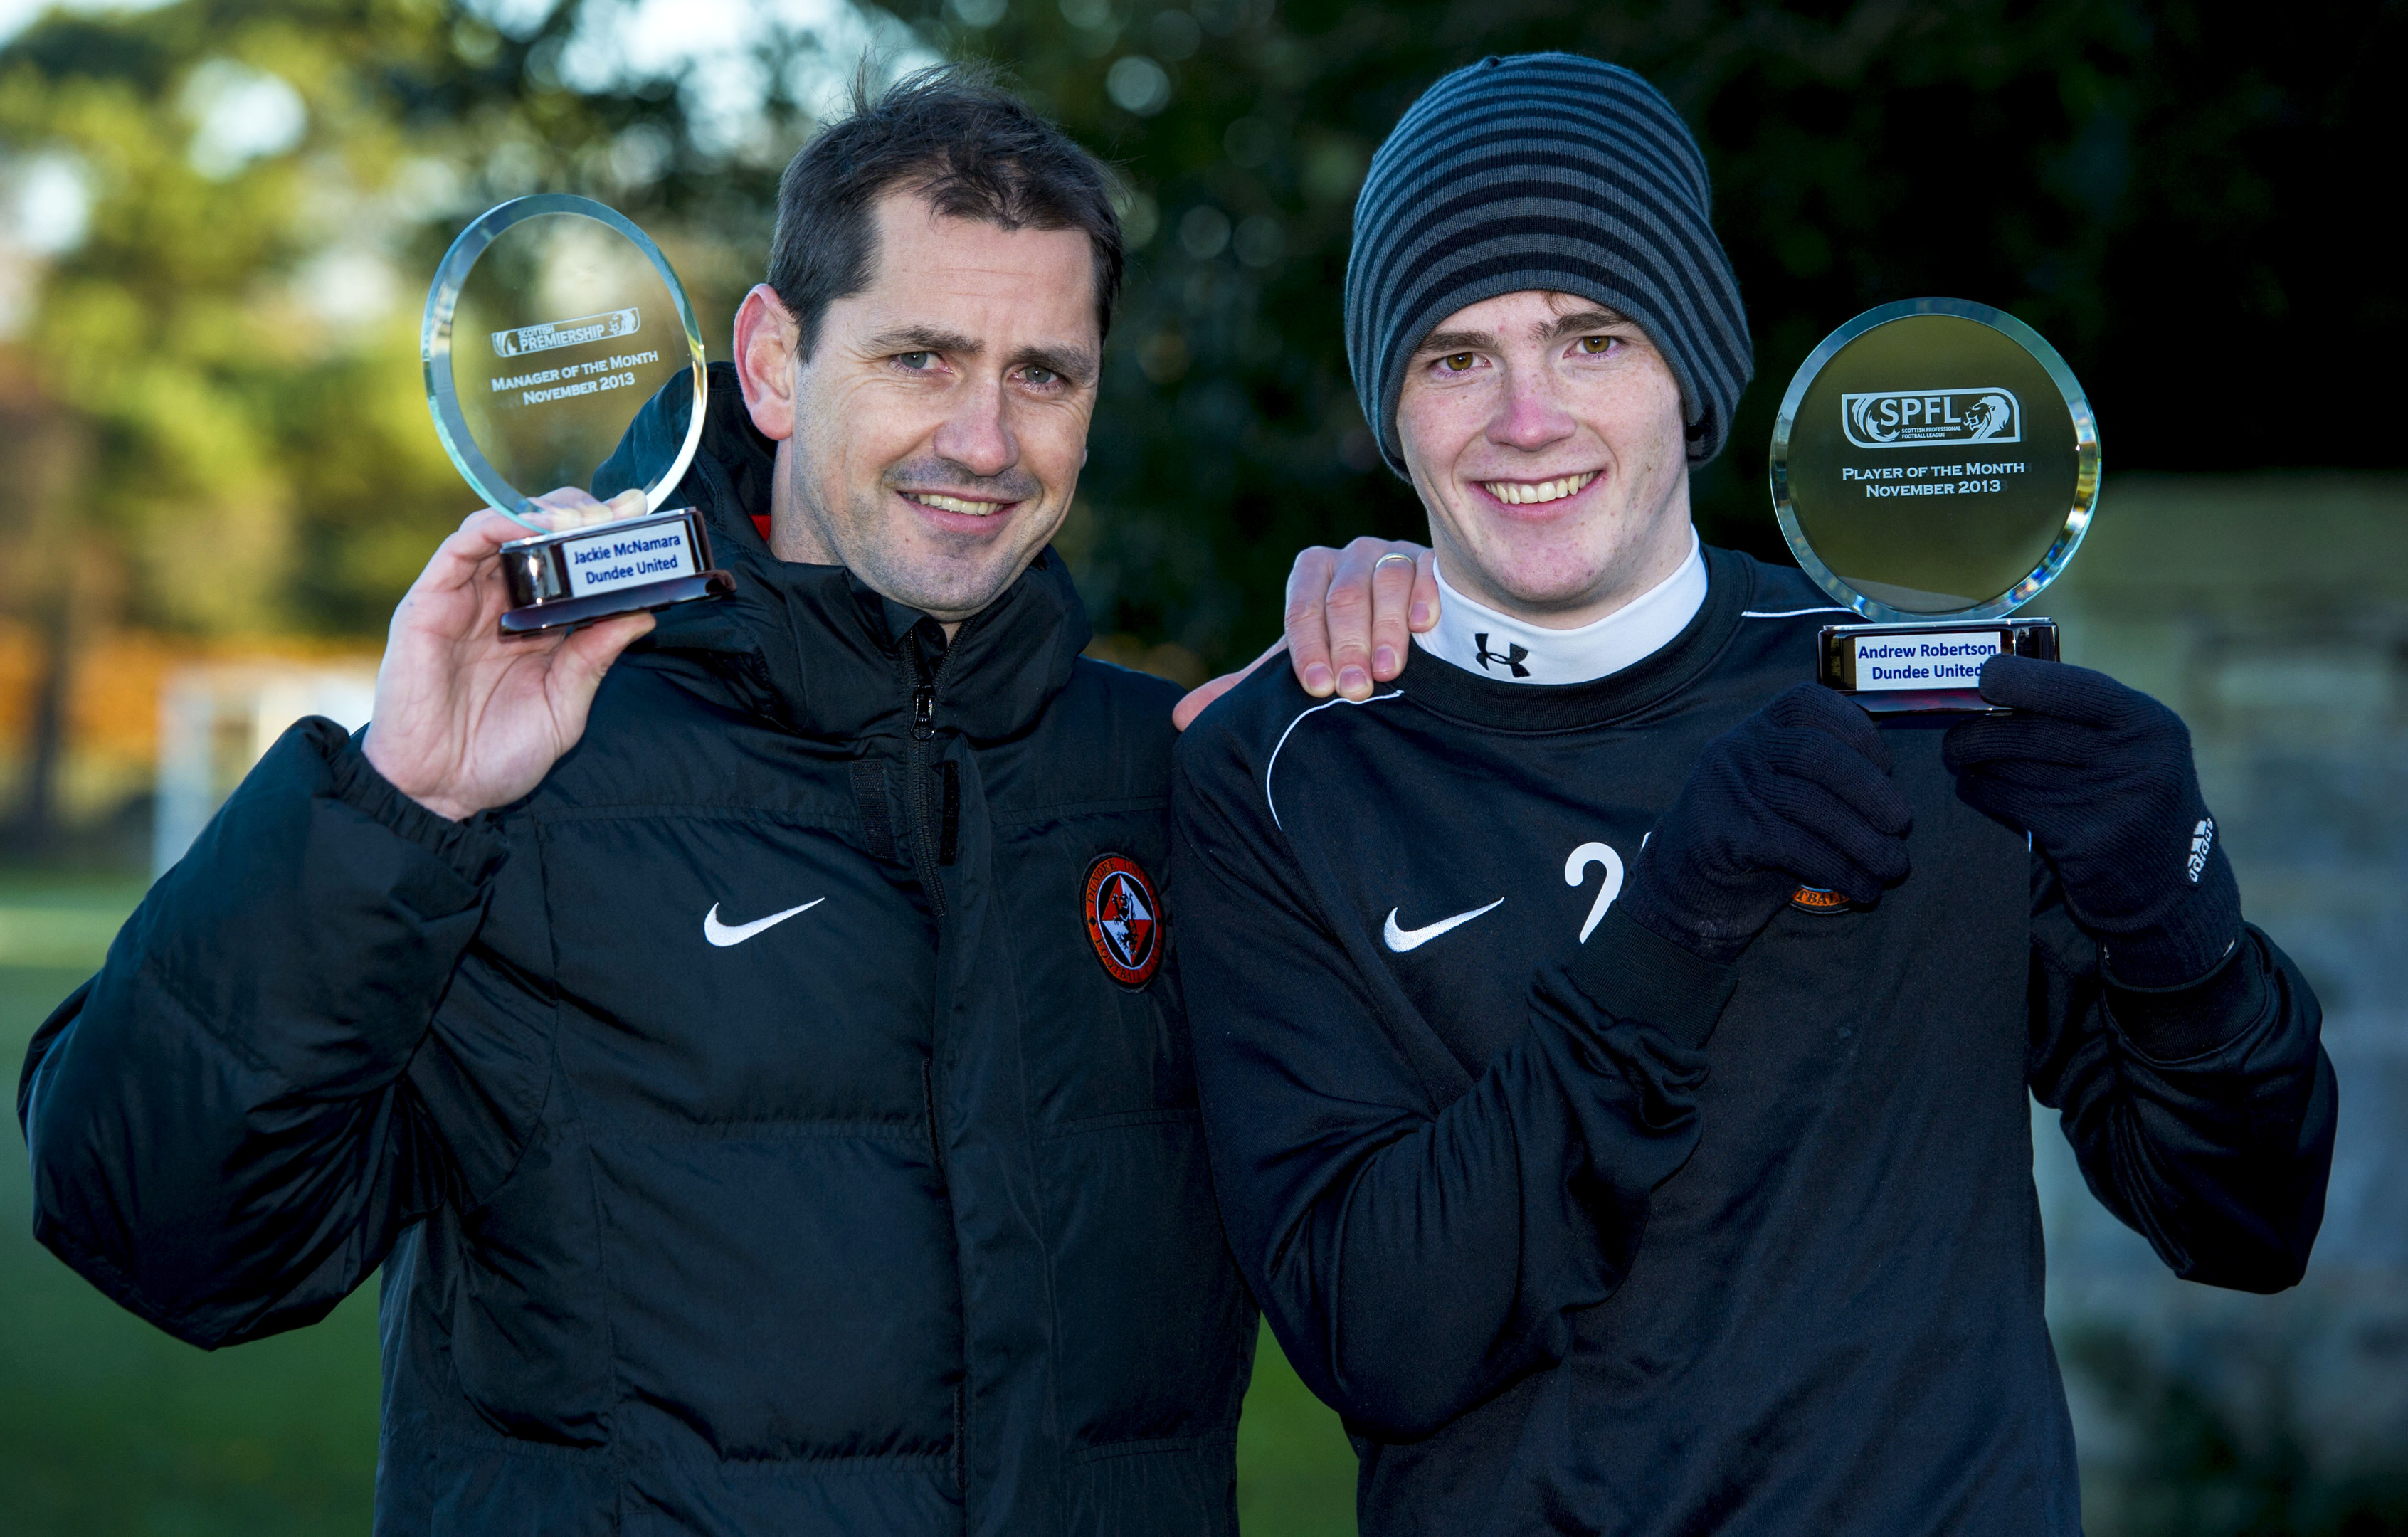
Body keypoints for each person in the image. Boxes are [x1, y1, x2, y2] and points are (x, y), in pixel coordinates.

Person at [16, 67, 1419, 1535]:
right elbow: (162, 1233)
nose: (986, 440)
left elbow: (1445, 1274)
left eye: (1042, 374)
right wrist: (393, 807)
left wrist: (1446, 683)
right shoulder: (528, 775)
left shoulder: (1175, 776)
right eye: (922, 358)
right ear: (770, 363)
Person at [1170, 52, 2338, 1537]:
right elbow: (1381, 1336)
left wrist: (2179, 915)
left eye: (1593, 339)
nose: (1526, 418)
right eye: (1455, 356)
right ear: (1392, 406)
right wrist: (1676, 919)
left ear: (1693, 370)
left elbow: (2243, 1222)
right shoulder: (1283, 766)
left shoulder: (1922, 692)